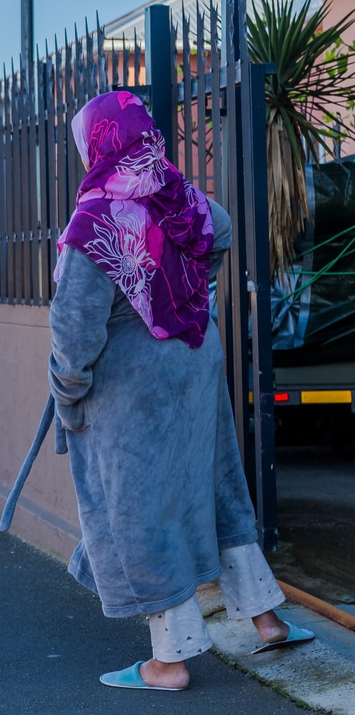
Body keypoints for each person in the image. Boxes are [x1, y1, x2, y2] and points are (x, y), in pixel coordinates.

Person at [48, 92, 315, 692]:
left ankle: (169, 661)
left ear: (95, 145)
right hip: (196, 365)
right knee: (217, 487)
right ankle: (267, 618)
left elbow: (74, 332)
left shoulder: (92, 224)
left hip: (132, 394)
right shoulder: (176, 194)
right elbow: (217, 232)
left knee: (141, 515)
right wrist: (187, 295)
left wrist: (69, 396)